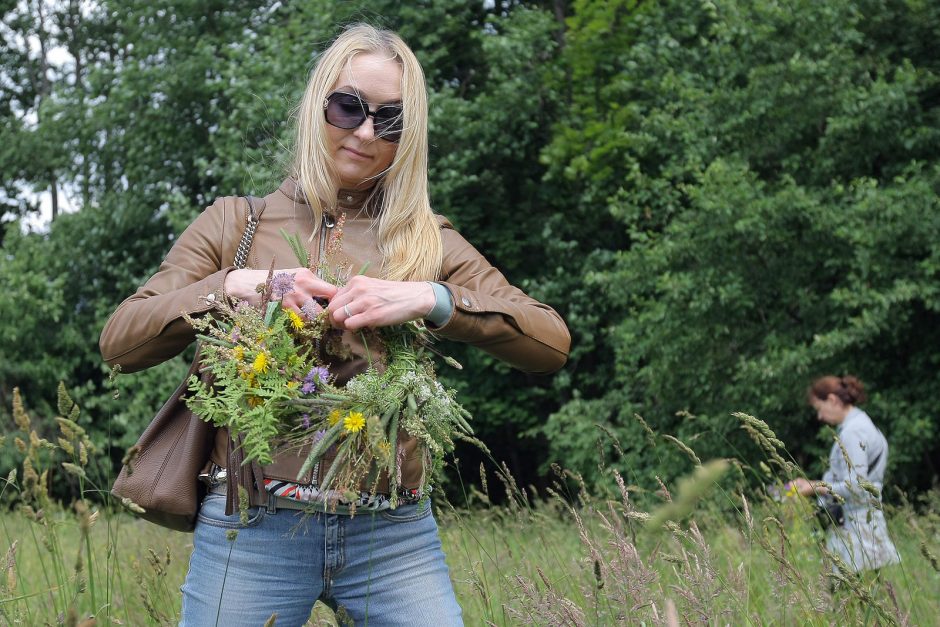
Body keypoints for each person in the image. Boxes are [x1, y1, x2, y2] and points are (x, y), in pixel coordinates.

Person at [99, 24, 570, 626]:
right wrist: (232, 286)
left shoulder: (426, 240)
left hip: (391, 535)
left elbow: (549, 342)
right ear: (318, 104)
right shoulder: (232, 225)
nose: (366, 132)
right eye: (349, 107)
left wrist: (432, 298)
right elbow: (121, 340)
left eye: (391, 120)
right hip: (253, 527)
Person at [793, 375, 900, 574]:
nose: (820, 417)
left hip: (857, 532)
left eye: (819, 409)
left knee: (847, 600)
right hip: (864, 527)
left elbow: (855, 487)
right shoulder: (862, 423)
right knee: (866, 598)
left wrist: (814, 488)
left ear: (832, 400)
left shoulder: (853, 432)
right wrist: (812, 482)